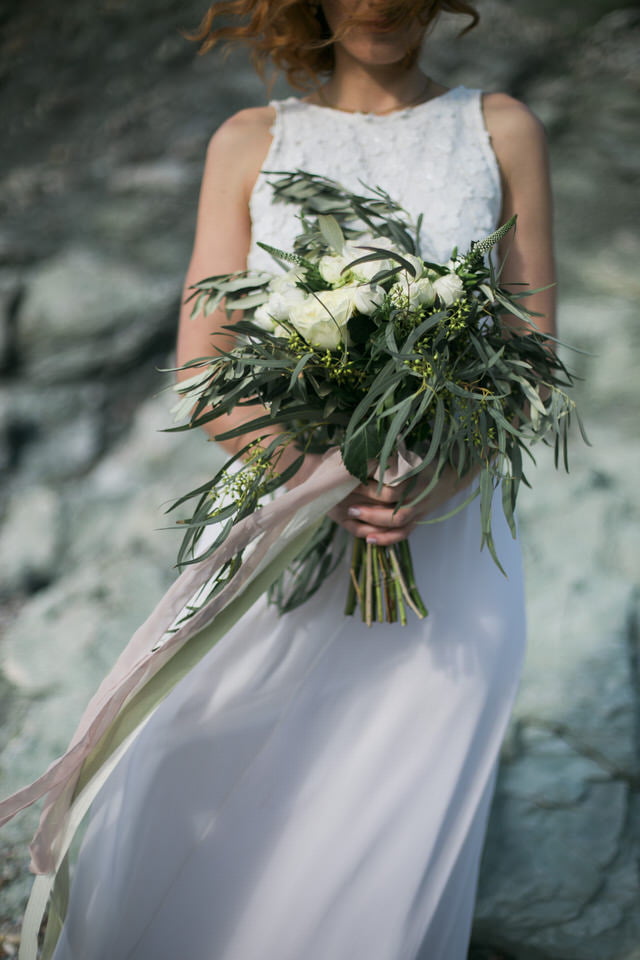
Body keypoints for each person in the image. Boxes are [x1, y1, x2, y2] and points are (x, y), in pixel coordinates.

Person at [48, 1, 556, 957]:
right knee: (197, 785)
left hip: (445, 551)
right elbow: (202, 367)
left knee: (387, 854)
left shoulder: (502, 129)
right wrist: (322, 471)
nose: (376, 3)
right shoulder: (249, 140)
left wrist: (429, 483)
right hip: (275, 534)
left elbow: (530, 357)